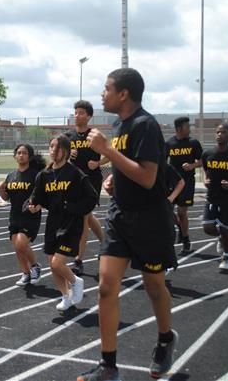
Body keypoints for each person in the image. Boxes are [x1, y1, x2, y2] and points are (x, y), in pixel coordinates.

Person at [78, 68, 178, 381]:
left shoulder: (146, 124)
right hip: (120, 216)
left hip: (150, 219)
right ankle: (108, 366)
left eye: (106, 88)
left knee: (153, 286)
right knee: (106, 287)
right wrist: (114, 180)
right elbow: (128, 165)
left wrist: (108, 152)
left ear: (123, 93)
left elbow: (148, 177)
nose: (102, 94)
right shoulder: (119, 124)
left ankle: (165, 338)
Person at [29, 135, 97, 311]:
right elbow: (39, 198)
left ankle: (76, 281)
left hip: (71, 224)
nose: (53, 150)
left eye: (57, 147)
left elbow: (92, 198)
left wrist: (71, 207)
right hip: (53, 223)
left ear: (65, 151)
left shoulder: (75, 173)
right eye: (51, 146)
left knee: (57, 263)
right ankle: (65, 296)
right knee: (53, 263)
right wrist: (33, 205)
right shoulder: (44, 175)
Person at [64, 100, 105, 275]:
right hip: (74, 181)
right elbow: (57, 156)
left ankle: (78, 260)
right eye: (76, 112)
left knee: (82, 219)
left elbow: (111, 153)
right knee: (86, 216)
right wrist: (67, 154)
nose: (77, 115)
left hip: (91, 181)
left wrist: (98, 162)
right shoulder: (68, 137)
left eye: (81, 112)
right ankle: (106, 242)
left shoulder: (95, 135)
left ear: (89, 116)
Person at [0, 143, 44, 286]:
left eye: (24, 153)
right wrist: (1, 190)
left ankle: (35, 266)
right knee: (17, 246)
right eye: (19, 153)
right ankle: (25, 273)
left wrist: (39, 207)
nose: (21, 155)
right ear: (15, 156)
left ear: (29, 156)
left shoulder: (36, 175)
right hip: (14, 215)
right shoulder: (11, 176)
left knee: (21, 243)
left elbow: (44, 195)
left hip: (30, 215)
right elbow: (6, 198)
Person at [201, 124, 228, 270]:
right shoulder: (207, 154)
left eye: (223, 132)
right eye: (217, 132)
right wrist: (205, 180)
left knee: (225, 229)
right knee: (207, 228)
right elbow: (206, 171)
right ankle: (221, 237)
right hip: (212, 197)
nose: (219, 134)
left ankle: (227, 257)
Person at [165, 116, 203, 254]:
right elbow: (163, 162)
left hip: (187, 182)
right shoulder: (169, 143)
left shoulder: (194, 143)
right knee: (167, 210)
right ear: (179, 129)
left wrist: (192, 165)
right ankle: (181, 229)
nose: (190, 129)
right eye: (187, 127)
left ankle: (186, 239)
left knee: (182, 212)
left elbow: (202, 161)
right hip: (171, 183)